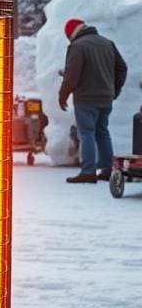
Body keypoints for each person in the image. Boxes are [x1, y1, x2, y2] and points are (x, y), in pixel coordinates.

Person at [58, 18, 127, 184]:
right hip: (106, 97)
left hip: (86, 98)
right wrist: (114, 90)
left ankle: (88, 171)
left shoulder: (77, 46)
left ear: (72, 33)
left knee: (87, 133)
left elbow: (72, 74)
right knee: (102, 131)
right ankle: (107, 169)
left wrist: (63, 94)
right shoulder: (107, 43)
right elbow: (122, 68)